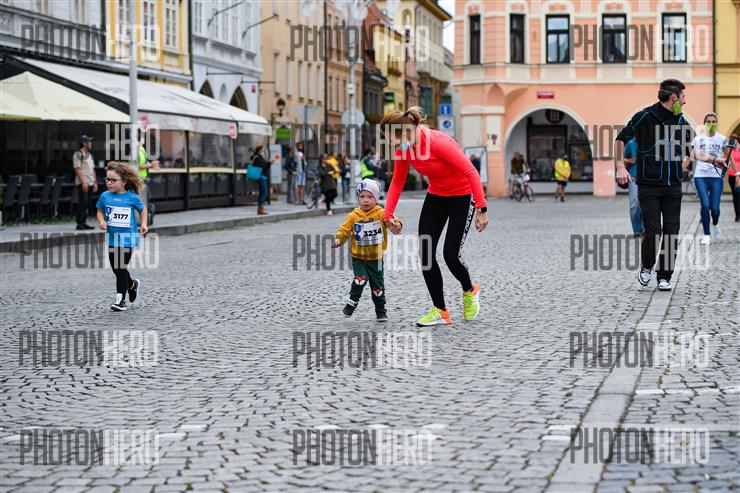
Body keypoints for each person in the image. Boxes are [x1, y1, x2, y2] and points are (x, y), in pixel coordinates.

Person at [379, 106, 488, 326]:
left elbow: (471, 172)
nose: (390, 144)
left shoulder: (437, 142)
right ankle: (441, 311)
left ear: (405, 131)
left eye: (391, 138)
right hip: (436, 196)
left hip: (462, 196)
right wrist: (388, 216)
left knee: (450, 255)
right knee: (426, 253)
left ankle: (470, 290)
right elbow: (398, 181)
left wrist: (481, 209)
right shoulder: (404, 148)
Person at [616, 79, 701, 291]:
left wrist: (714, 159)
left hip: (673, 187)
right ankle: (646, 266)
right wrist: (620, 166)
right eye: (683, 97)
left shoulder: (680, 121)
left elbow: (692, 150)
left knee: (672, 231)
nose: (685, 101)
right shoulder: (644, 116)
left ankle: (664, 276)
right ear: (674, 97)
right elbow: (620, 139)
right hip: (649, 186)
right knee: (653, 231)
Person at [333, 179, 402, 322]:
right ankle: (352, 302)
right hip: (359, 257)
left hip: (377, 258)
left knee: (378, 285)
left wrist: (397, 224)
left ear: (376, 198)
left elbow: (392, 220)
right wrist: (339, 239)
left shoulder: (381, 213)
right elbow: (344, 230)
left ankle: (380, 310)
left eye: (370, 197)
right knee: (360, 279)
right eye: (362, 196)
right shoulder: (353, 215)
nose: (365, 200)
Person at [95, 162, 147, 312]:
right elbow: (99, 211)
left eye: (113, 180)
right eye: (107, 180)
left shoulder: (132, 197)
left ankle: (120, 300)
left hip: (128, 239)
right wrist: (101, 221)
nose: (109, 183)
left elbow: (142, 209)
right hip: (112, 238)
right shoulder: (105, 196)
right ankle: (132, 284)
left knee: (120, 267)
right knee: (117, 269)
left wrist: (144, 224)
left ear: (123, 181)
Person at [690, 113, 738, 244]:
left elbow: (729, 157)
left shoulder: (722, 139)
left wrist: (737, 174)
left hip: (716, 177)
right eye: (709, 121)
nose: (711, 124)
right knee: (705, 205)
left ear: (716, 123)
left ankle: (715, 223)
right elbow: (691, 155)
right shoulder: (698, 139)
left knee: (715, 208)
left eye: (713, 121)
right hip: (701, 176)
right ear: (705, 123)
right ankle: (706, 234)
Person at [73, 135, 98, 230]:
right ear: (84, 143)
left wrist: (95, 182)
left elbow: (93, 169)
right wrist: (83, 182)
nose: (90, 143)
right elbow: (77, 169)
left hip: (90, 182)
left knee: (87, 203)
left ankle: (84, 222)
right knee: (82, 203)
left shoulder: (89, 155)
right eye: (89, 142)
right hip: (83, 183)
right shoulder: (78, 154)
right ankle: (79, 223)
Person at [135, 134, 160, 225]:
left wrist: (152, 165)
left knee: (146, 200)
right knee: (143, 201)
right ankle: (143, 220)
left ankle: (146, 219)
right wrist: (151, 165)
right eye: (142, 138)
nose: (143, 140)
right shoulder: (135, 150)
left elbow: (144, 162)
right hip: (138, 179)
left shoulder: (141, 149)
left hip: (143, 179)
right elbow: (138, 165)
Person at [622, 138, 644, 237]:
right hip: (634, 179)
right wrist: (630, 160)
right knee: (634, 205)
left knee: (646, 205)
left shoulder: (652, 141)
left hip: (648, 180)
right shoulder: (631, 144)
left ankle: (644, 228)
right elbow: (621, 158)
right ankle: (637, 230)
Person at [251, 145, 279, 215]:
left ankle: (260, 208)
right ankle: (260, 209)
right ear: (259, 150)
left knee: (262, 192)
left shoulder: (260, 157)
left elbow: (264, 165)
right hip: (261, 176)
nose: (263, 151)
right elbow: (263, 165)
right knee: (264, 193)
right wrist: (269, 162)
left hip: (263, 176)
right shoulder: (257, 157)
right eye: (262, 150)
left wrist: (269, 163)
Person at [729, 138, 740, 222]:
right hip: (732, 175)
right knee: (735, 195)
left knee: (738, 195)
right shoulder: (730, 151)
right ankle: (737, 214)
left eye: (736, 141)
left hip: (739, 175)